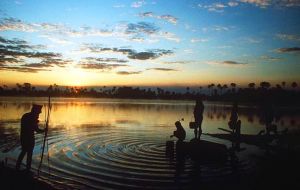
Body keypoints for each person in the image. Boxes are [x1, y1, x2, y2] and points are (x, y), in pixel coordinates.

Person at [16, 104, 46, 171]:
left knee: (23, 152)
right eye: (39, 111)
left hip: (23, 137)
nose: (40, 113)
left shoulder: (26, 115)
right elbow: (37, 130)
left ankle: (17, 167)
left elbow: (31, 126)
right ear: (35, 111)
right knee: (29, 154)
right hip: (29, 138)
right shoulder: (32, 118)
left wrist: (35, 122)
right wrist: (44, 130)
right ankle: (27, 169)